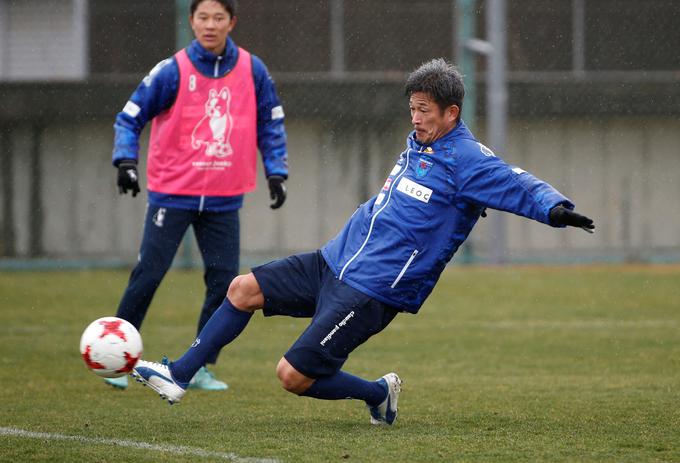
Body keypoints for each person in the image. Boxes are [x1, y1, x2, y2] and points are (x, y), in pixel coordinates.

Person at [130, 58, 594, 425]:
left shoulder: (470, 161)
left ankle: (377, 392)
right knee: (241, 288)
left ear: (452, 113)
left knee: (292, 376)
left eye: (424, 111)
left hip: (374, 288)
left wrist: (555, 208)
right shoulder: (420, 143)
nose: (415, 119)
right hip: (333, 261)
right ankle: (179, 375)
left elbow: (517, 183)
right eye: (411, 108)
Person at [108, 0, 288, 391]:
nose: (210, 25)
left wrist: (276, 171)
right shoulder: (172, 70)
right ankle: (117, 359)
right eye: (202, 17)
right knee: (149, 274)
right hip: (172, 194)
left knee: (224, 283)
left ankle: (201, 365)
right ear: (191, 21)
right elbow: (130, 116)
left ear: (231, 22)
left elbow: (271, 121)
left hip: (225, 198)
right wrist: (125, 161)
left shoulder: (252, 70)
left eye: (218, 18)